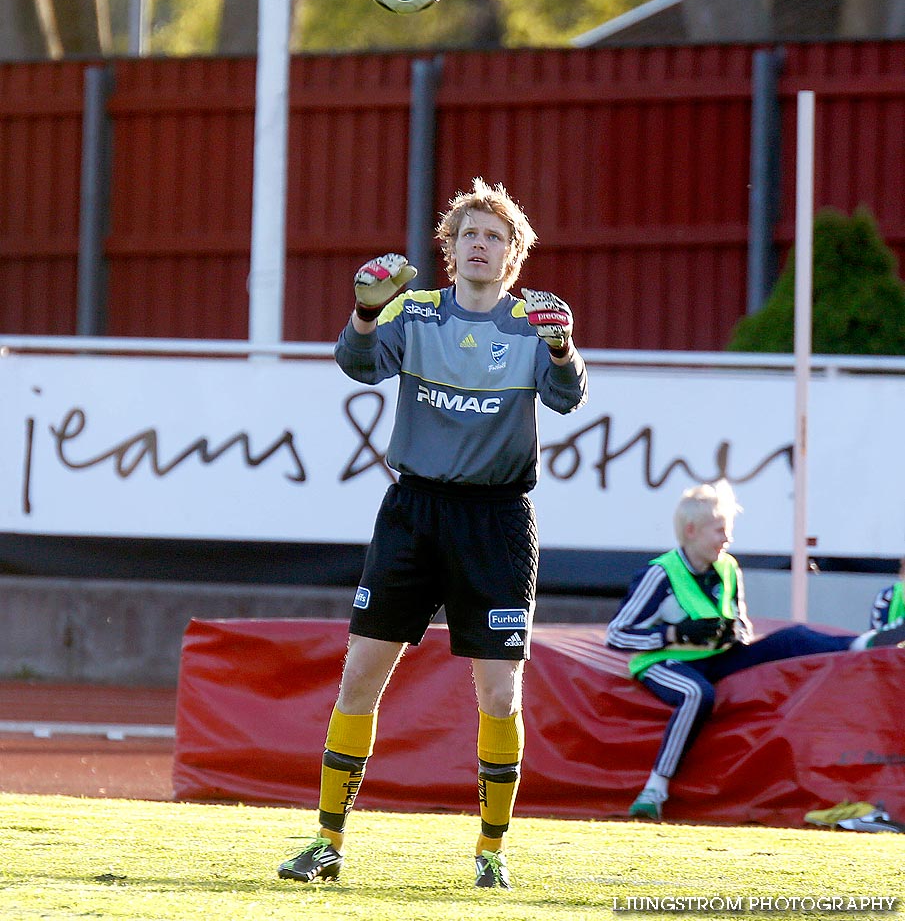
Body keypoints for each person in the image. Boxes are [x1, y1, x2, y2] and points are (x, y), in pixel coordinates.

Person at [277, 178, 588, 888]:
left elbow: (568, 398)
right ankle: (326, 845)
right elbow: (358, 366)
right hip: (412, 514)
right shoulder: (414, 312)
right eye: (469, 234)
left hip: (498, 522)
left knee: (499, 694)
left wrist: (565, 350)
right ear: (449, 251)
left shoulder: (532, 325)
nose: (481, 245)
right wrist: (362, 312)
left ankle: (491, 854)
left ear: (513, 256)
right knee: (359, 674)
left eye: (495, 237)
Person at [605, 480, 905, 823]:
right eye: (719, 531)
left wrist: (733, 632)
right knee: (695, 693)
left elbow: (743, 625)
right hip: (663, 661)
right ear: (691, 530)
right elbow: (617, 635)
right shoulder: (659, 574)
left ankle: (860, 644)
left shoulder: (728, 567)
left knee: (791, 639)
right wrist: (675, 633)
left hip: (716, 657)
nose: (727, 539)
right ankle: (654, 790)